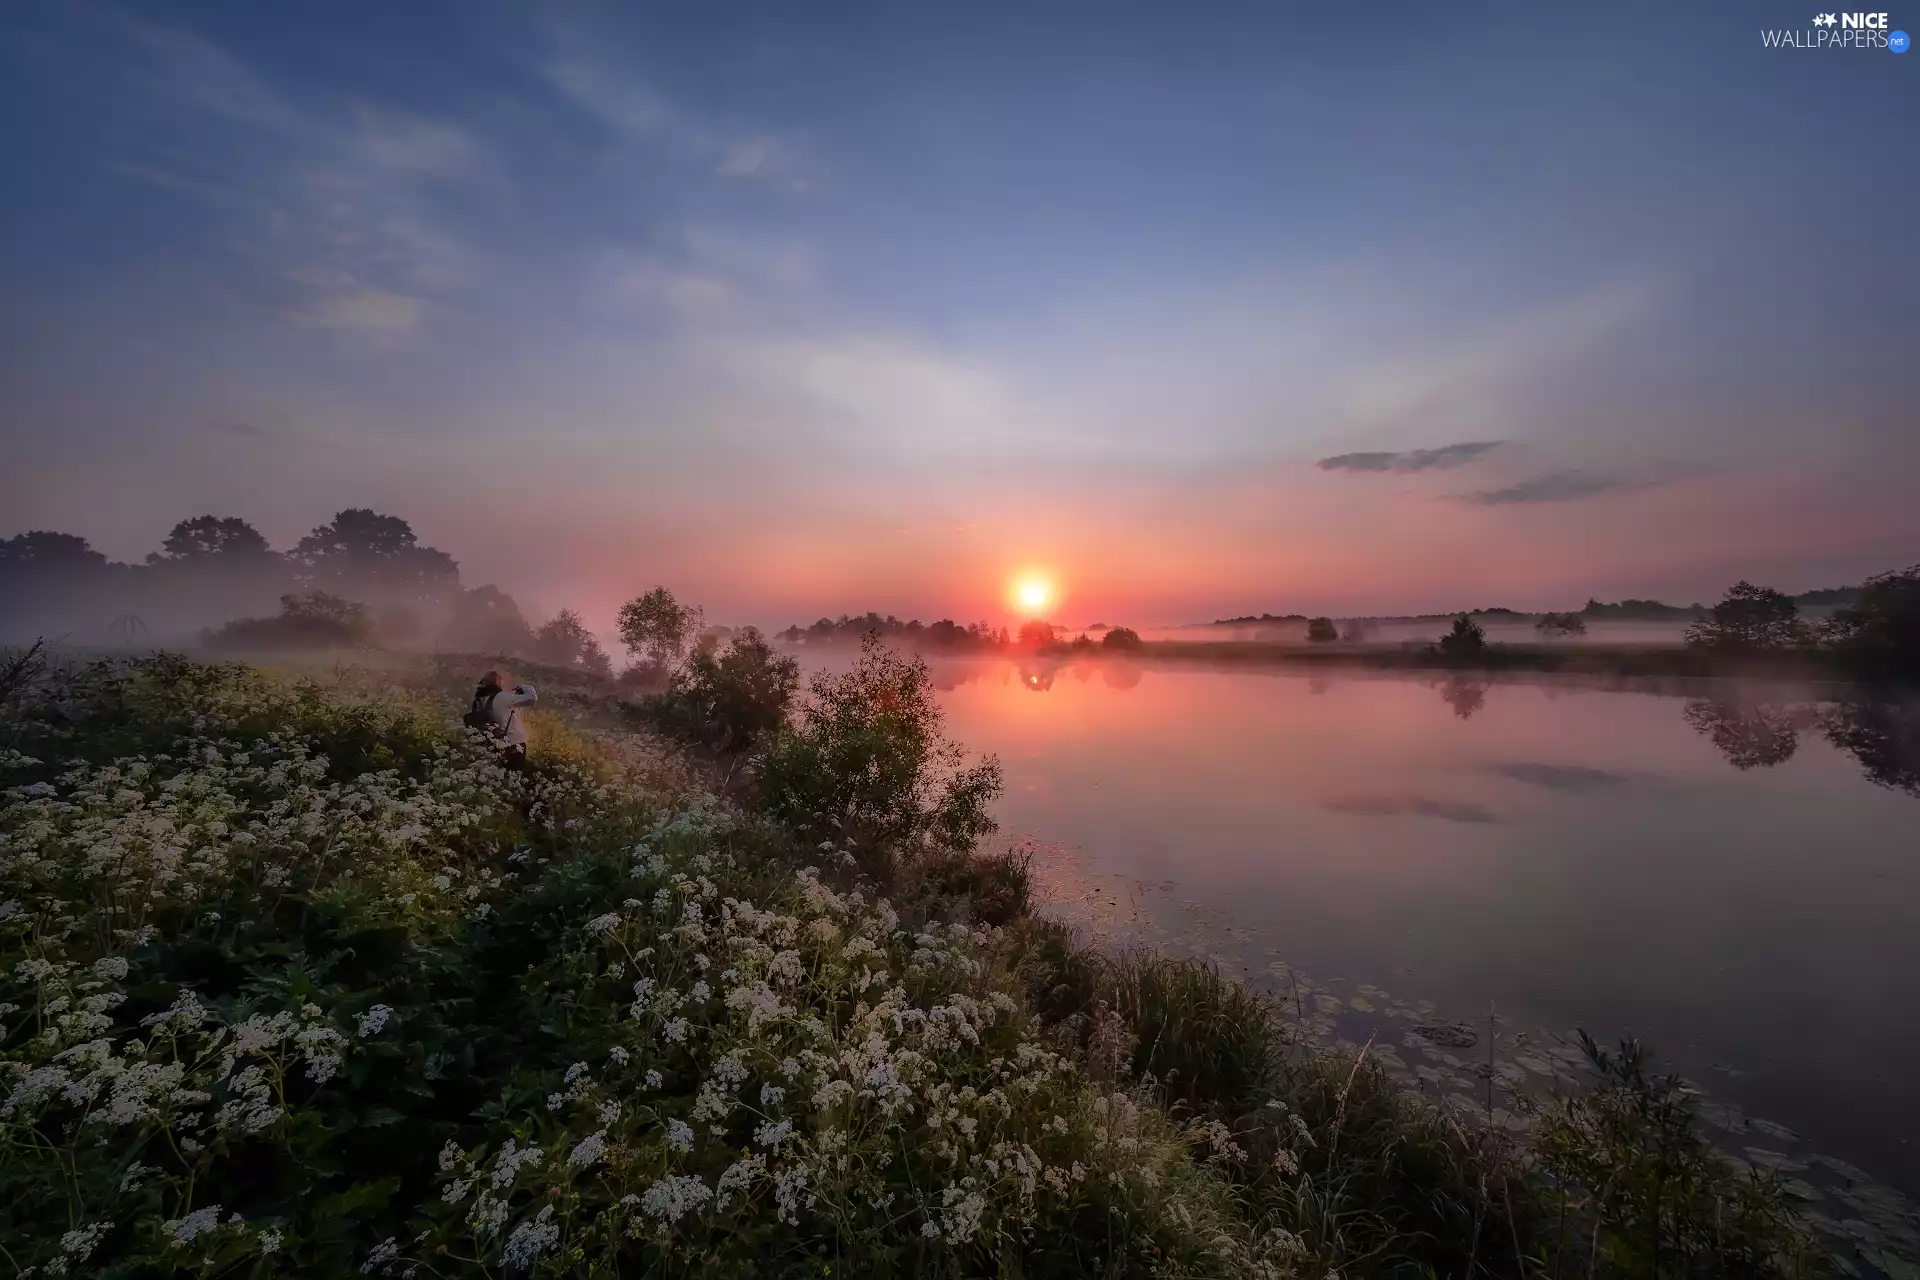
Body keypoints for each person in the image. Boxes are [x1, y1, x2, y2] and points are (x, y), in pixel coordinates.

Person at [468, 669, 537, 770]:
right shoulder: (502, 696)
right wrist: (522, 687)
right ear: (498, 682)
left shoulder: (481, 700)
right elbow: (532, 697)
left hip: (494, 746)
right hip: (514, 745)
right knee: (514, 777)